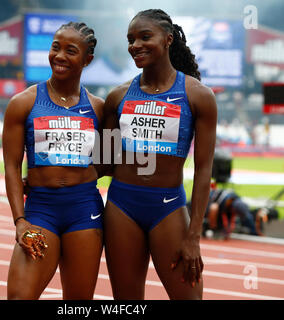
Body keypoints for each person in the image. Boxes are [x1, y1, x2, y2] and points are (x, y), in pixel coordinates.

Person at [102, 9, 217, 300]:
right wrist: (47, 180)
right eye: (130, 40)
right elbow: (103, 162)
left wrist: (194, 236)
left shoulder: (198, 96)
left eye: (144, 37)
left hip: (168, 208)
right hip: (121, 207)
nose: (135, 45)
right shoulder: (117, 97)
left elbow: (203, 170)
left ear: (168, 40)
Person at [2, 22, 105, 300]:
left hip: (84, 212)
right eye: (55, 47)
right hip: (40, 212)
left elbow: (112, 161)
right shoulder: (23, 103)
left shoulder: (98, 107)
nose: (59, 56)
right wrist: (20, 221)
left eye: (71, 51)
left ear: (87, 59)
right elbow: (11, 166)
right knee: (20, 295)